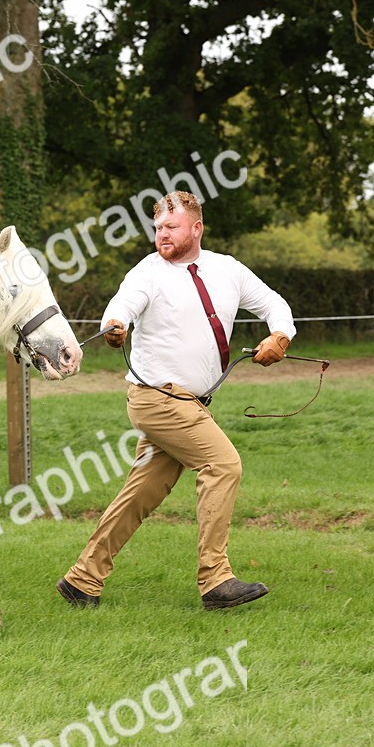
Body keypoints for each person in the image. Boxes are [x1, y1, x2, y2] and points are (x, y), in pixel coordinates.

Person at [57, 190, 295, 611]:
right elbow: (121, 306)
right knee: (223, 465)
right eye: (157, 228)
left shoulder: (227, 269)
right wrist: (115, 325)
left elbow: (274, 304)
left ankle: (82, 579)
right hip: (157, 400)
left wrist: (280, 335)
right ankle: (215, 579)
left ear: (197, 228)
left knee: (142, 492)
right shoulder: (147, 273)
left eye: (171, 227)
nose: (162, 234)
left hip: (191, 403)